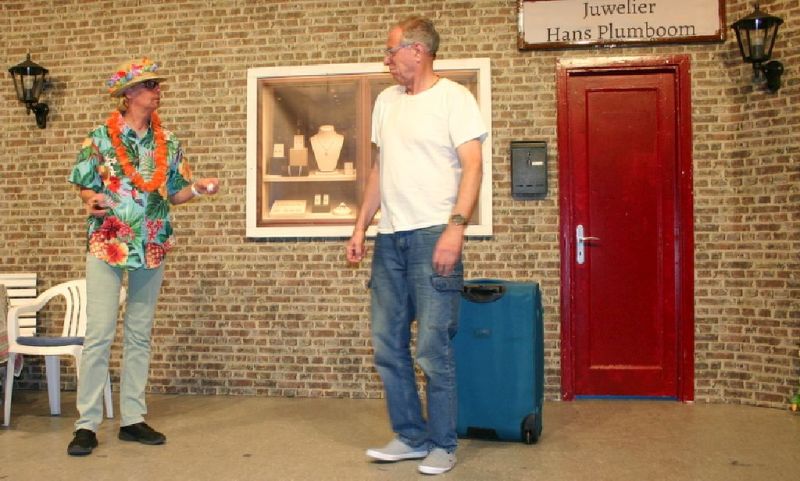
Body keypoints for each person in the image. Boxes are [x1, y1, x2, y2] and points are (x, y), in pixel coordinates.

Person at [346, 16, 487, 475]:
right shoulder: (386, 101)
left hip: (433, 235)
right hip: (390, 238)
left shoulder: (455, 99)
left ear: (418, 50)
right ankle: (410, 436)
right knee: (387, 345)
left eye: (392, 51)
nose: (386, 60)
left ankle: (443, 444)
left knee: (431, 348)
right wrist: (361, 226)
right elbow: (380, 170)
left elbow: (473, 166)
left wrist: (455, 228)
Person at [66, 58, 219, 456]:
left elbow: (175, 194)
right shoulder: (99, 138)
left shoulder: (168, 142)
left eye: (157, 85)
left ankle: (132, 419)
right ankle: (86, 424)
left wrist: (198, 188)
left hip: (152, 243)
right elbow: (84, 186)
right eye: (150, 85)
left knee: (139, 333)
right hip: (108, 242)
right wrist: (91, 200)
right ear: (130, 93)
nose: (157, 91)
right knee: (99, 335)